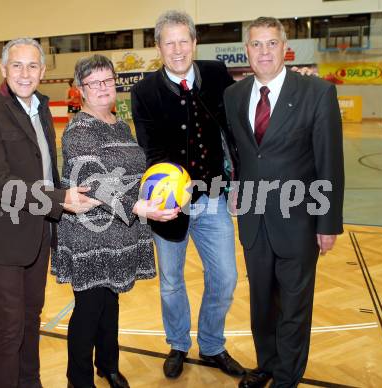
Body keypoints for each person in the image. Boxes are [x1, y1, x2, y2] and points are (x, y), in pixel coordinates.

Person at [0, 38, 96, 388]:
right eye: (18, 66)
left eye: (33, 66)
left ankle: (31, 382)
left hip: (37, 233)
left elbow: (44, 170)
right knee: (9, 324)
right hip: (1, 237)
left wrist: (67, 202)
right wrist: (58, 199)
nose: (26, 73)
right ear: (3, 70)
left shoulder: (39, 107)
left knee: (30, 316)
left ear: (43, 71)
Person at [224, 17, 344, 387]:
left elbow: (329, 161)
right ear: (247, 50)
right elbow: (241, 154)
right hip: (254, 221)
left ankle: (287, 378)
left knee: (293, 307)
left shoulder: (316, 93)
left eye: (271, 43)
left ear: (284, 47)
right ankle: (267, 366)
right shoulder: (234, 96)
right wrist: (234, 186)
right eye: (256, 44)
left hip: (299, 221)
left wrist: (327, 223)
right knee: (261, 304)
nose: (264, 51)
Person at [51, 54, 179, 388]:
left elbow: (134, 173)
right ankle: (78, 380)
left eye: (108, 80)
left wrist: (160, 194)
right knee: (90, 309)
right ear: (81, 89)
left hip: (120, 232)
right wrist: (140, 208)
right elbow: (93, 181)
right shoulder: (79, 130)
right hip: (89, 233)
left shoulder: (121, 124)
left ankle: (107, 365)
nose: (104, 87)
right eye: (94, 83)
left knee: (111, 303)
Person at [131, 10, 244, 379]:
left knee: (225, 277)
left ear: (195, 43)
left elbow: (233, 130)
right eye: (169, 42)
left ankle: (212, 345)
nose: (177, 49)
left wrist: (237, 180)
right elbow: (150, 150)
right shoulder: (144, 91)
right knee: (171, 283)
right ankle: (178, 343)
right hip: (169, 205)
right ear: (158, 48)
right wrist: (167, 195)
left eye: (184, 41)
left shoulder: (216, 74)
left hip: (213, 197)